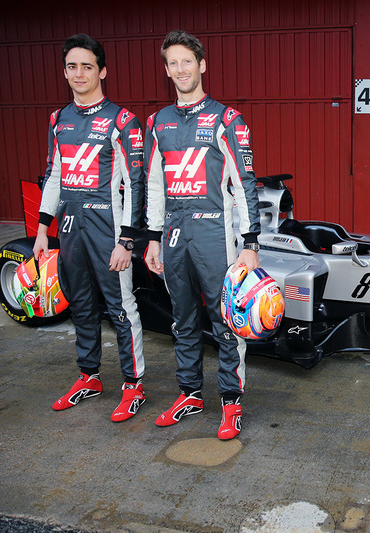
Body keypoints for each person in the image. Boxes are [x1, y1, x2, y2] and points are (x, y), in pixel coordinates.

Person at [144, 30, 261, 440]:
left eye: (187, 61)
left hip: (215, 233)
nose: (180, 69)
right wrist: (153, 237)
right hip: (175, 233)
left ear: (202, 65)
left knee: (227, 319)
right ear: (166, 70)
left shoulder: (227, 119)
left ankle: (231, 402)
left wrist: (250, 244)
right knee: (182, 319)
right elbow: (154, 186)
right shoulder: (157, 122)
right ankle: (190, 393)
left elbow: (245, 184)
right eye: (173, 63)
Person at [34, 33, 146, 421]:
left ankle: (134, 386)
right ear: (64, 72)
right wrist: (42, 229)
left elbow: (136, 184)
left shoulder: (122, 120)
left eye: (86, 66)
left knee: (120, 308)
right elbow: (53, 176)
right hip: (68, 227)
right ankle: (89, 376)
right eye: (71, 66)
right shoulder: (58, 119)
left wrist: (127, 240)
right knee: (80, 304)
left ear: (102, 71)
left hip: (107, 229)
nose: (78, 73)